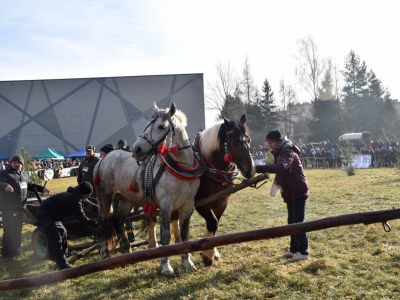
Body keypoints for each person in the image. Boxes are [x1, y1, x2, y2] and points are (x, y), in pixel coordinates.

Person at [255, 130, 310, 262]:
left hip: (298, 191)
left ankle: (303, 252)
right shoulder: (279, 153)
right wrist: (274, 188)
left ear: (277, 142)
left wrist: (257, 168)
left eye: (270, 142)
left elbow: (280, 168)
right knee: (291, 222)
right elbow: (280, 174)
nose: (268, 145)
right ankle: (293, 249)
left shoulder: (288, 152)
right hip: (289, 192)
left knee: (298, 221)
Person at [35, 182, 98, 270]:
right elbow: (82, 218)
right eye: (88, 194)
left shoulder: (78, 195)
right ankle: (63, 266)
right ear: (83, 192)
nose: (89, 197)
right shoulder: (74, 199)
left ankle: (64, 255)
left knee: (63, 231)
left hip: (53, 214)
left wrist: (101, 210)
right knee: (55, 238)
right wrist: (96, 224)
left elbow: (90, 205)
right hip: (45, 214)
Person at [0, 155, 51, 262]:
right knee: (9, 230)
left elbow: (31, 185)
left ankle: (16, 250)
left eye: (19, 162)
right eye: (14, 162)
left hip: (20, 207)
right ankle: (6, 254)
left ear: (22, 164)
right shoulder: (5, 173)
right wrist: (4, 185)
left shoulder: (23, 174)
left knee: (17, 229)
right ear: (11, 163)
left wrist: (43, 188)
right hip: (8, 207)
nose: (16, 164)